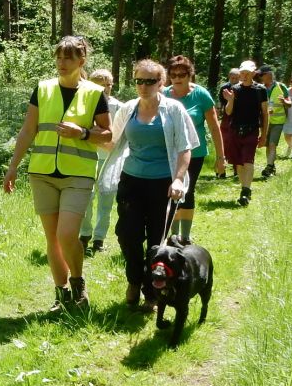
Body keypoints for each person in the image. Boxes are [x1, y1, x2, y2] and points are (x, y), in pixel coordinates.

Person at [4, 36, 111, 310]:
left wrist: (83, 133)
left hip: (78, 175)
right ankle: (61, 293)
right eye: (59, 57)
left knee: (67, 234)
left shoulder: (94, 93)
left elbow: (108, 135)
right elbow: (28, 130)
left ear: (81, 61)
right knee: (52, 238)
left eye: (68, 58)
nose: (62, 63)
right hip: (42, 173)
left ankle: (78, 282)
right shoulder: (43, 89)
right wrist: (13, 166)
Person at [98, 58, 198, 309]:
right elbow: (111, 142)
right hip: (131, 181)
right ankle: (134, 280)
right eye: (139, 80)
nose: (143, 86)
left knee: (157, 241)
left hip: (163, 184)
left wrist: (178, 179)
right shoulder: (128, 108)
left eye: (150, 81)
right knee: (127, 235)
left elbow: (185, 148)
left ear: (161, 82)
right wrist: (85, 135)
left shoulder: (174, 110)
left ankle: (152, 293)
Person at [164, 55, 224, 244]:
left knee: (187, 192)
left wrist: (221, 157)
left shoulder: (201, 95)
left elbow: (215, 127)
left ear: (190, 75)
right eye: (173, 74)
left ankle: (186, 237)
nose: (177, 78)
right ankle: (172, 237)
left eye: (182, 74)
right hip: (168, 153)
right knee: (170, 191)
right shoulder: (163, 94)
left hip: (194, 153)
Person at [78, 68, 122, 255]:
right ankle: (84, 235)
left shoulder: (119, 106)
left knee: (106, 200)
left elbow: (119, 136)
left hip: (110, 160)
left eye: (108, 85)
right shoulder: (84, 103)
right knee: (86, 198)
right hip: (87, 157)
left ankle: (99, 238)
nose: (105, 89)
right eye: (100, 86)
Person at [223, 60, 269, 207]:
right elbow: (228, 112)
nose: (244, 75)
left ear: (253, 73)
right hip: (235, 129)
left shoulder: (260, 90)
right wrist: (230, 100)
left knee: (248, 161)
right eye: (242, 72)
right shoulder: (234, 89)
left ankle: (246, 191)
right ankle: (244, 188)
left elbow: (265, 113)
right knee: (239, 163)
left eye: (247, 73)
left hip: (252, 130)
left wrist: (264, 135)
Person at [258, 64, 291, 177]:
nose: (260, 77)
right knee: (267, 145)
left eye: (262, 75)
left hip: (278, 121)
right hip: (265, 122)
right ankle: (270, 165)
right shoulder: (259, 88)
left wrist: (284, 102)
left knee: (272, 144)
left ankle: (269, 167)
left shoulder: (281, 87)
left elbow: (289, 104)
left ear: (268, 75)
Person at [217, 68, 240, 179]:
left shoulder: (242, 87)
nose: (234, 80)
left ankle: (237, 169)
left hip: (238, 118)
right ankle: (221, 170)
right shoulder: (224, 87)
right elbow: (221, 103)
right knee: (224, 143)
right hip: (226, 118)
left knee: (236, 143)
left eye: (236, 78)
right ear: (229, 77)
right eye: (232, 78)